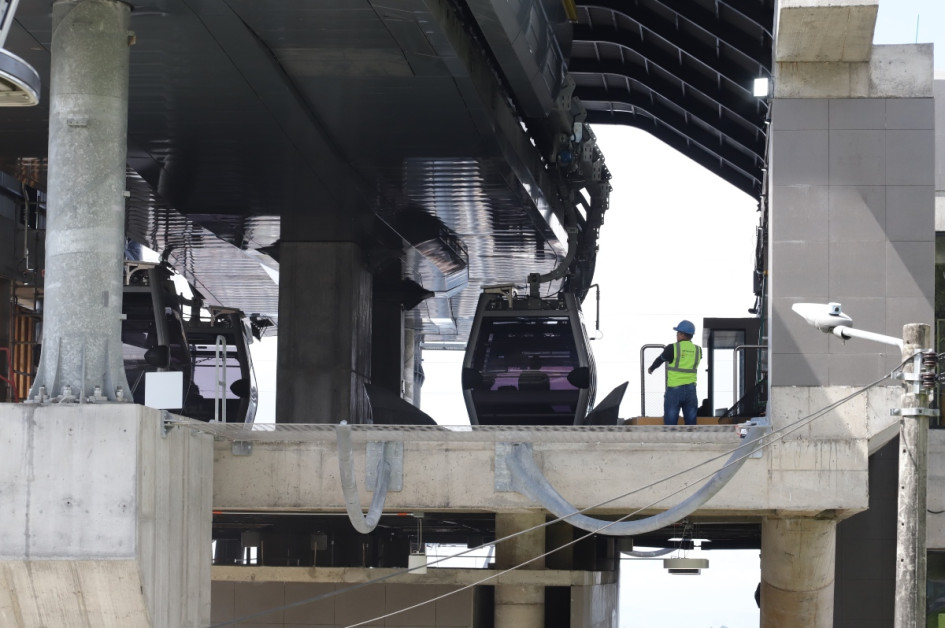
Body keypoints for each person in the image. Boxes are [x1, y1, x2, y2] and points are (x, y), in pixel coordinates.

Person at [647, 319, 703, 425]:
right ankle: (692, 441)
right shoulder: (698, 350)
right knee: (691, 424)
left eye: (677, 333)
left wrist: (651, 368)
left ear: (682, 334)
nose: (676, 335)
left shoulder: (672, 348)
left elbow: (660, 360)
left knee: (671, 424)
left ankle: (671, 441)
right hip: (691, 390)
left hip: (674, 390)